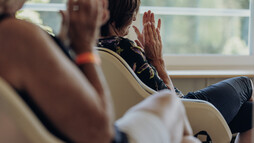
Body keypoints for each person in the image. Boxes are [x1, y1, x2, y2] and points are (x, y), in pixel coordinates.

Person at [0, 0, 200, 143]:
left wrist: (65, 42)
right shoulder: (15, 36)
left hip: (53, 130)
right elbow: (101, 133)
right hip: (101, 135)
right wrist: (84, 46)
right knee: (169, 102)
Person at [98, 0, 254, 142]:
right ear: (119, 16)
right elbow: (173, 101)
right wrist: (158, 61)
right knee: (246, 83)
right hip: (184, 115)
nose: (133, 19)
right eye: (133, 13)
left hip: (137, 121)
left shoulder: (93, 49)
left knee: (250, 113)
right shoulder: (127, 48)